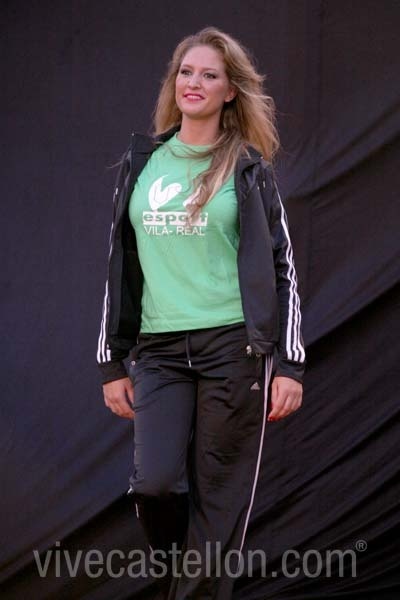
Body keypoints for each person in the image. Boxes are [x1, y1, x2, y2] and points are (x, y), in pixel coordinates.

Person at [97, 26, 305, 600]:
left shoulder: (249, 168)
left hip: (234, 350)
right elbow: (119, 264)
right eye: (186, 72)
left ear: (230, 91)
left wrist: (289, 365)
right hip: (159, 351)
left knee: (219, 503)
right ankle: (186, 583)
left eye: (209, 75)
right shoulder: (143, 163)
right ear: (174, 82)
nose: (195, 82)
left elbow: (283, 266)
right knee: (156, 485)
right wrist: (112, 362)